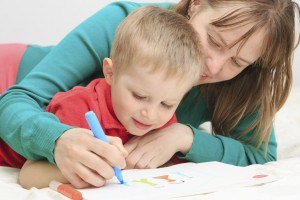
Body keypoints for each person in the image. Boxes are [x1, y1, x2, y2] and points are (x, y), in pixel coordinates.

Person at [0, 0, 299, 189]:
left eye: (237, 61)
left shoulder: (244, 80)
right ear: (195, 4)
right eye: (213, 41)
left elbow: (261, 156)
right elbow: (16, 101)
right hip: (10, 75)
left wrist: (187, 137)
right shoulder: (124, 22)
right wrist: (57, 140)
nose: (213, 65)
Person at [12, 6, 202, 189]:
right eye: (139, 96)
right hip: (10, 67)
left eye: (167, 104)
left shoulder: (163, 122)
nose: (151, 114)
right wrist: (93, 166)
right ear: (110, 73)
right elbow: (29, 175)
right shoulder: (79, 107)